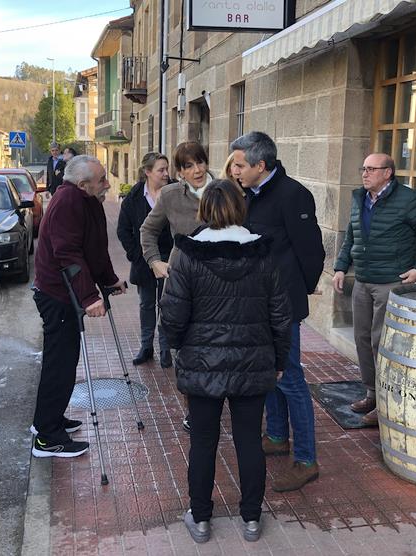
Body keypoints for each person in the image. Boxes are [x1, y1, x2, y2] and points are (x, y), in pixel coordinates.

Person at [160, 179, 291, 544]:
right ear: (239, 208)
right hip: (253, 361)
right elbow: (281, 315)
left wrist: (180, 349)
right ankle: (251, 518)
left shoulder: (186, 254)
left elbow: (171, 316)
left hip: (202, 363)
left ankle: (200, 518)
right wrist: (279, 359)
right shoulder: (262, 253)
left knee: (203, 441)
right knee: (249, 440)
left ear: (205, 210)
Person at [230, 131, 325, 492]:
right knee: (269, 371)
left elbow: (311, 251)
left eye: (240, 165)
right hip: (258, 301)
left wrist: (301, 290)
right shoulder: (250, 193)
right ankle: (275, 435)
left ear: (260, 165)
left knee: (291, 379)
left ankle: (305, 459)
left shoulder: (293, 194)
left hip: (282, 304)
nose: (235, 170)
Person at [332, 153, 416, 426]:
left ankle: (386, 402)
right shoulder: (360, 199)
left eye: (371, 169)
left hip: (390, 283)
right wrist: (340, 267)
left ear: (388, 173)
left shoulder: (408, 200)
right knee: (361, 339)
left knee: (380, 342)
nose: (365, 173)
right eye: (364, 168)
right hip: (362, 281)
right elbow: (352, 235)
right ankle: (371, 394)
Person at [31, 155, 126, 457]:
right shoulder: (68, 203)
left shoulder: (89, 202)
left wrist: (108, 281)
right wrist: (89, 298)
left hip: (67, 295)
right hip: (58, 296)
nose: (107, 184)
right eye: (101, 180)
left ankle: (49, 420)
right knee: (60, 365)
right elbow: (68, 255)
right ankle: (47, 438)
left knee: (64, 362)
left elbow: (96, 250)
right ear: (83, 184)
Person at [140, 141, 214, 432]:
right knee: (186, 347)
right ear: (179, 172)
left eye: (200, 162)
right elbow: (148, 230)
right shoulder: (171, 195)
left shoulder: (224, 190)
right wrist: (154, 261)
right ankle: (193, 411)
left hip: (221, 280)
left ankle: (221, 401)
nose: (197, 170)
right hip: (183, 281)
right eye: (188, 166)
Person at [117, 153, 174, 368]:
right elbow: (123, 230)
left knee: (168, 305)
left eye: (167, 169)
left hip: (171, 259)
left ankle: (166, 348)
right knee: (146, 304)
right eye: (161, 170)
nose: (166, 173)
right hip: (144, 262)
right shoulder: (133, 198)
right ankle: (146, 347)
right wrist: (136, 254)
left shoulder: (175, 192)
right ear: (148, 172)